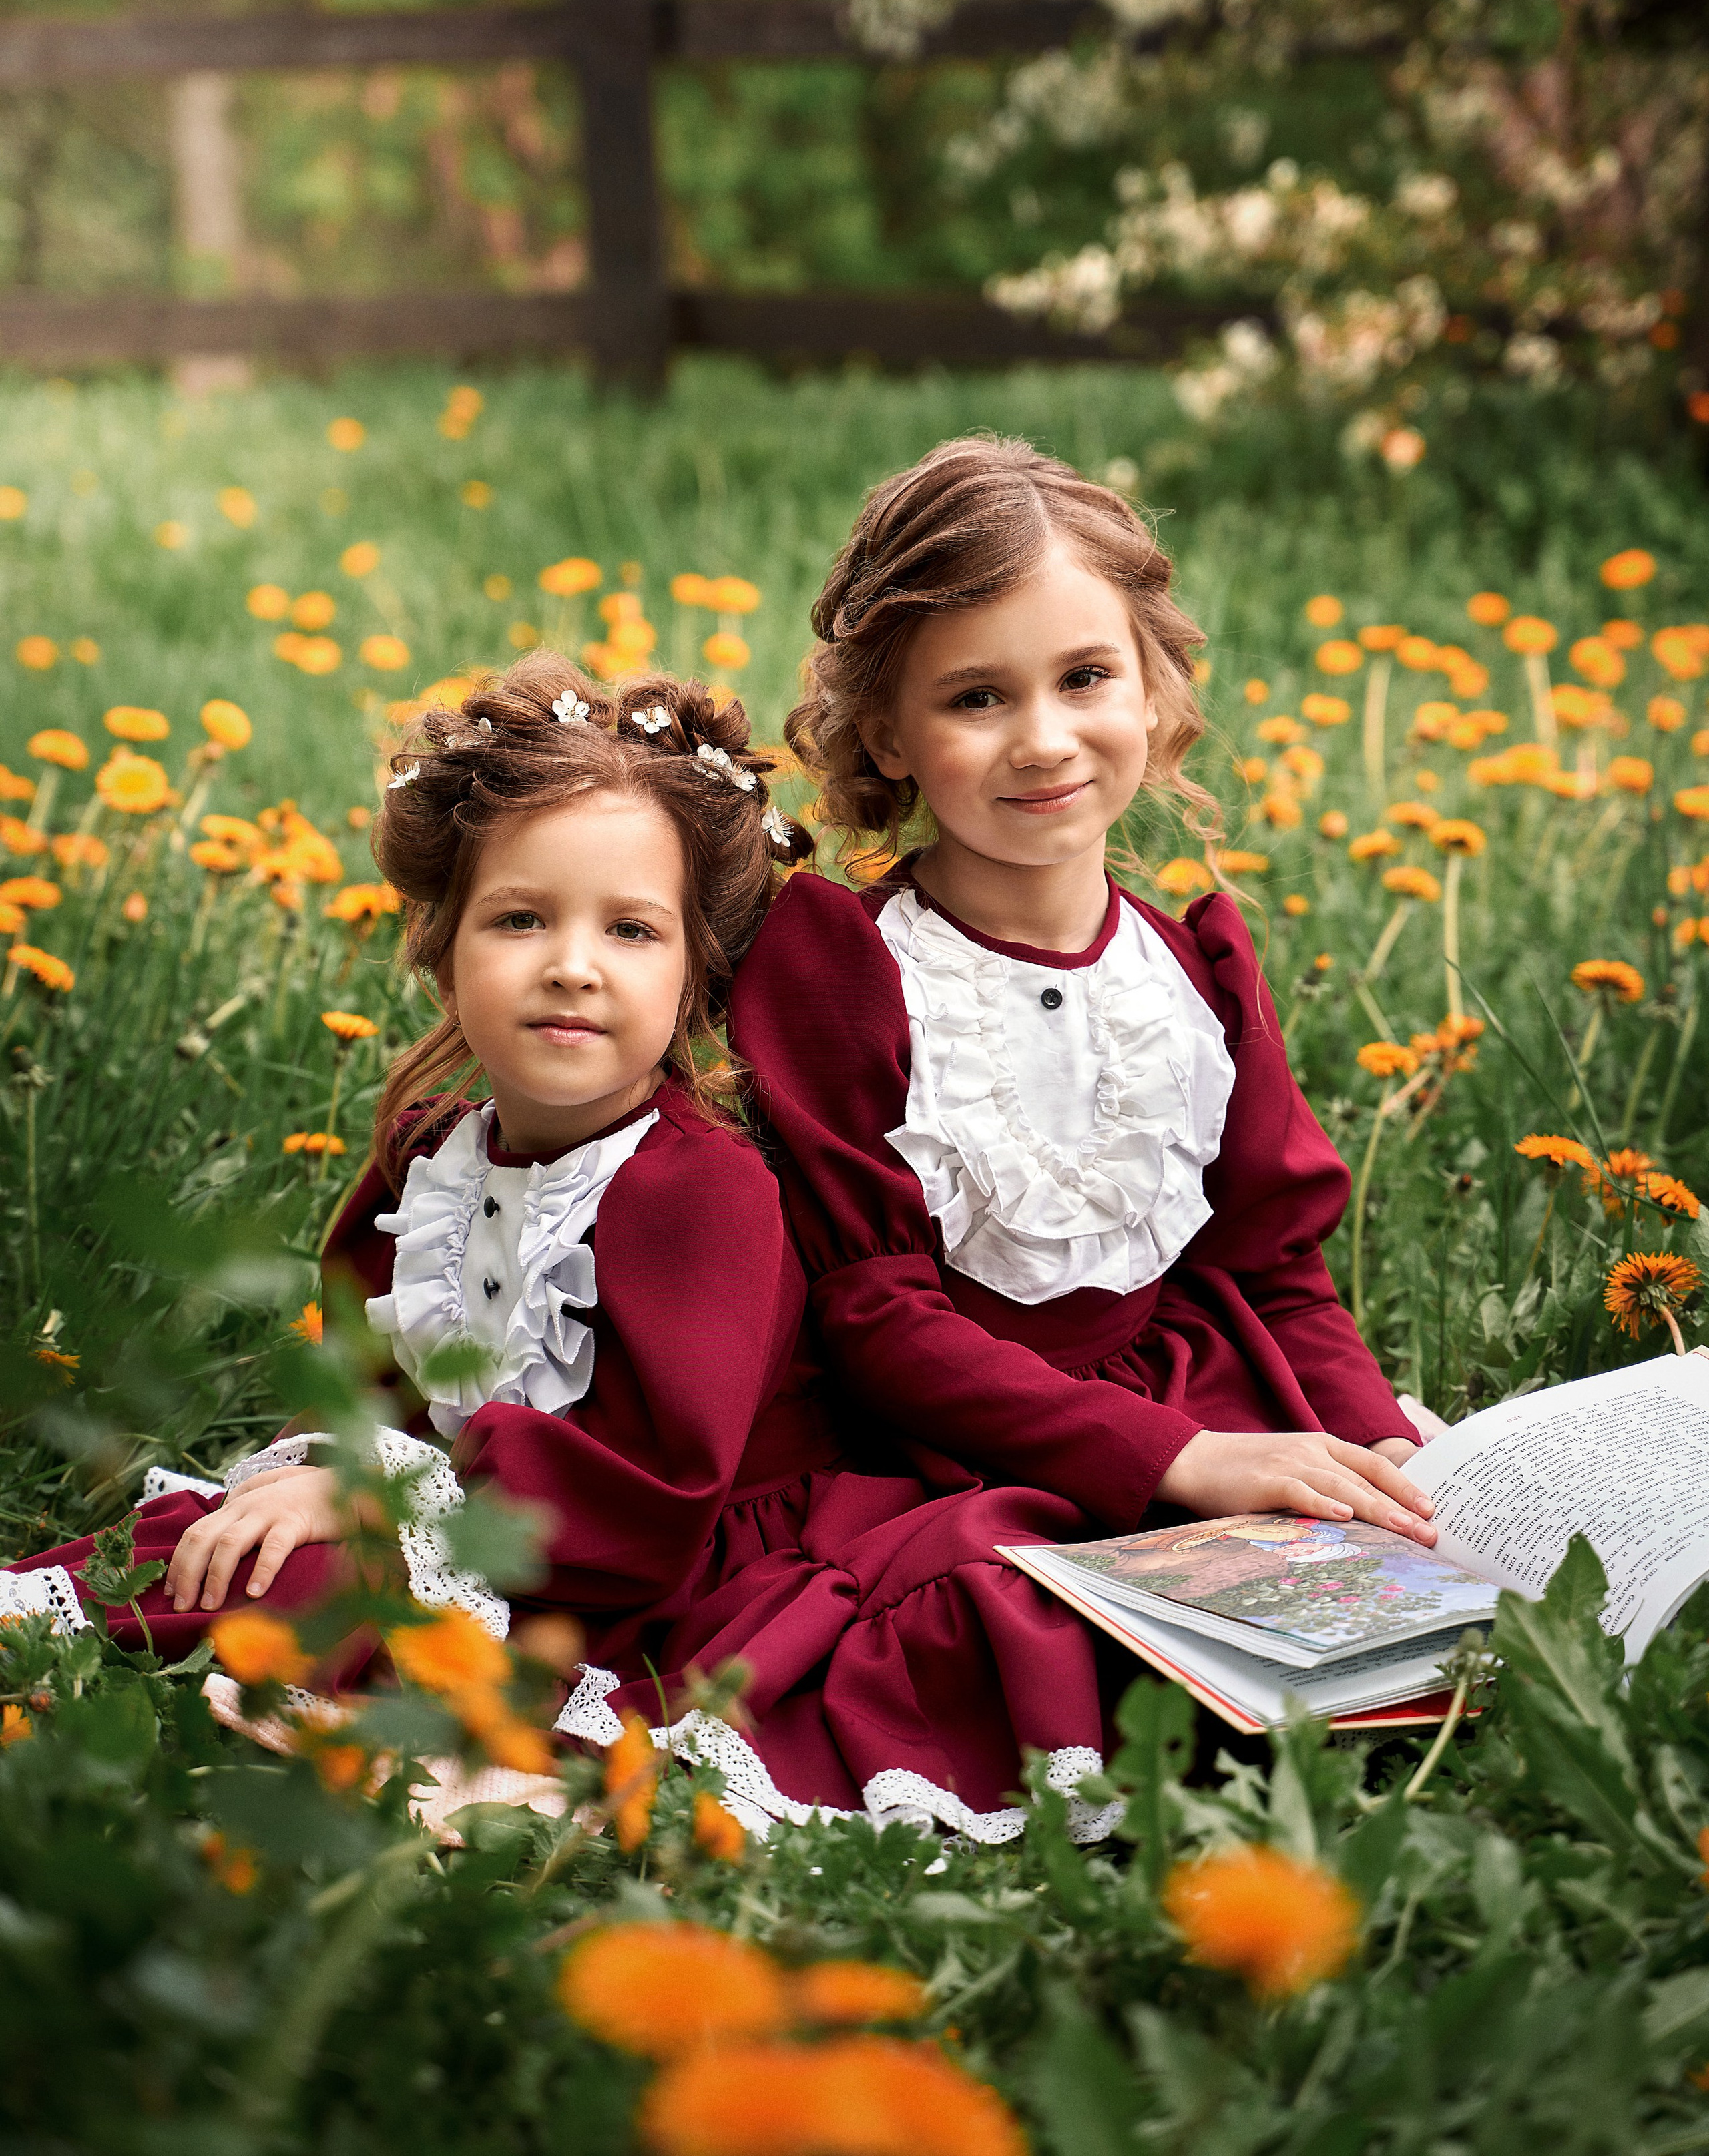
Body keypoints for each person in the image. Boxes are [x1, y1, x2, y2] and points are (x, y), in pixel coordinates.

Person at [1, 655, 1118, 1841]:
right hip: (467, 1518)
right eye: (520, 917)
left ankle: (410, 1745)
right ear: (442, 944)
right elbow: (368, 1373)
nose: (571, 964)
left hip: (654, 1564)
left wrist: (390, 1503)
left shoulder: (699, 1185)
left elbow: (661, 1479)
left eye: (630, 930)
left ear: (695, 974)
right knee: (233, 1552)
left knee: (339, 1588)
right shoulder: (432, 1147)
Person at [724, 435, 1435, 1802]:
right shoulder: (845, 965)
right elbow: (874, 1322)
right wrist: (1180, 1461)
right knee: (1012, 1604)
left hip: (1199, 1387)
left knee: (1404, 1544)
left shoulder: (1193, 965)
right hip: (957, 1441)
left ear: (1156, 692)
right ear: (885, 733)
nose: (1043, 738)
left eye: (1083, 677)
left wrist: (1378, 1447)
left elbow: (1270, 1261)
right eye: (977, 696)